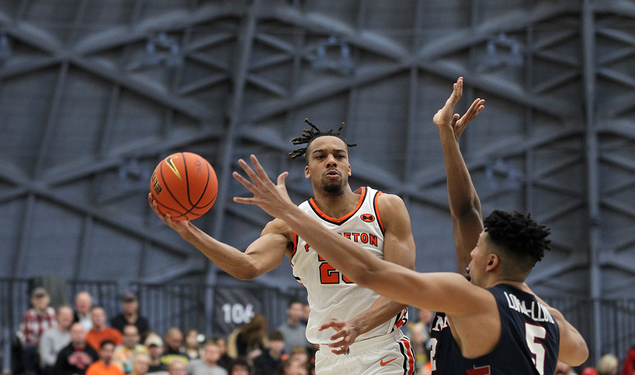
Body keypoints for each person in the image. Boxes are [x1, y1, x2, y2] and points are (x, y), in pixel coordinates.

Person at [228, 80, 589, 374]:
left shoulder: (466, 296)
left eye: (477, 248)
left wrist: (289, 214)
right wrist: (447, 136)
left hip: (378, 349)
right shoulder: (549, 317)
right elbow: (466, 212)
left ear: (491, 261)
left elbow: (369, 271)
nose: (469, 253)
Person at [149, 118, 417, 375]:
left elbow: (404, 288)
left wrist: (358, 326)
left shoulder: (385, 207)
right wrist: (189, 232)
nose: (331, 160)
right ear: (308, 171)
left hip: (381, 349)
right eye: (320, 156)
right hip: (328, 357)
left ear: (349, 167)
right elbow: (247, 266)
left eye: (339, 155)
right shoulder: (287, 225)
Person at [17, 286, 57, 375]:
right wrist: (41, 345)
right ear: (32, 301)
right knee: (29, 348)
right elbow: (26, 336)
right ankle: (29, 372)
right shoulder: (29, 315)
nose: (40, 301)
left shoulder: (53, 313)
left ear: (48, 299)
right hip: (35, 346)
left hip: (50, 346)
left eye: (42, 298)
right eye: (37, 298)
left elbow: (55, 332)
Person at [39, 304, 74, 374]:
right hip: (53, 367)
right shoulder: (48, 334)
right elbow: (45, 357)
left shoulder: (73, 334)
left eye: (69, 316)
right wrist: (61, 363)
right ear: (57, 316)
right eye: (64, 315)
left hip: (70, 367)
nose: (66, 318)